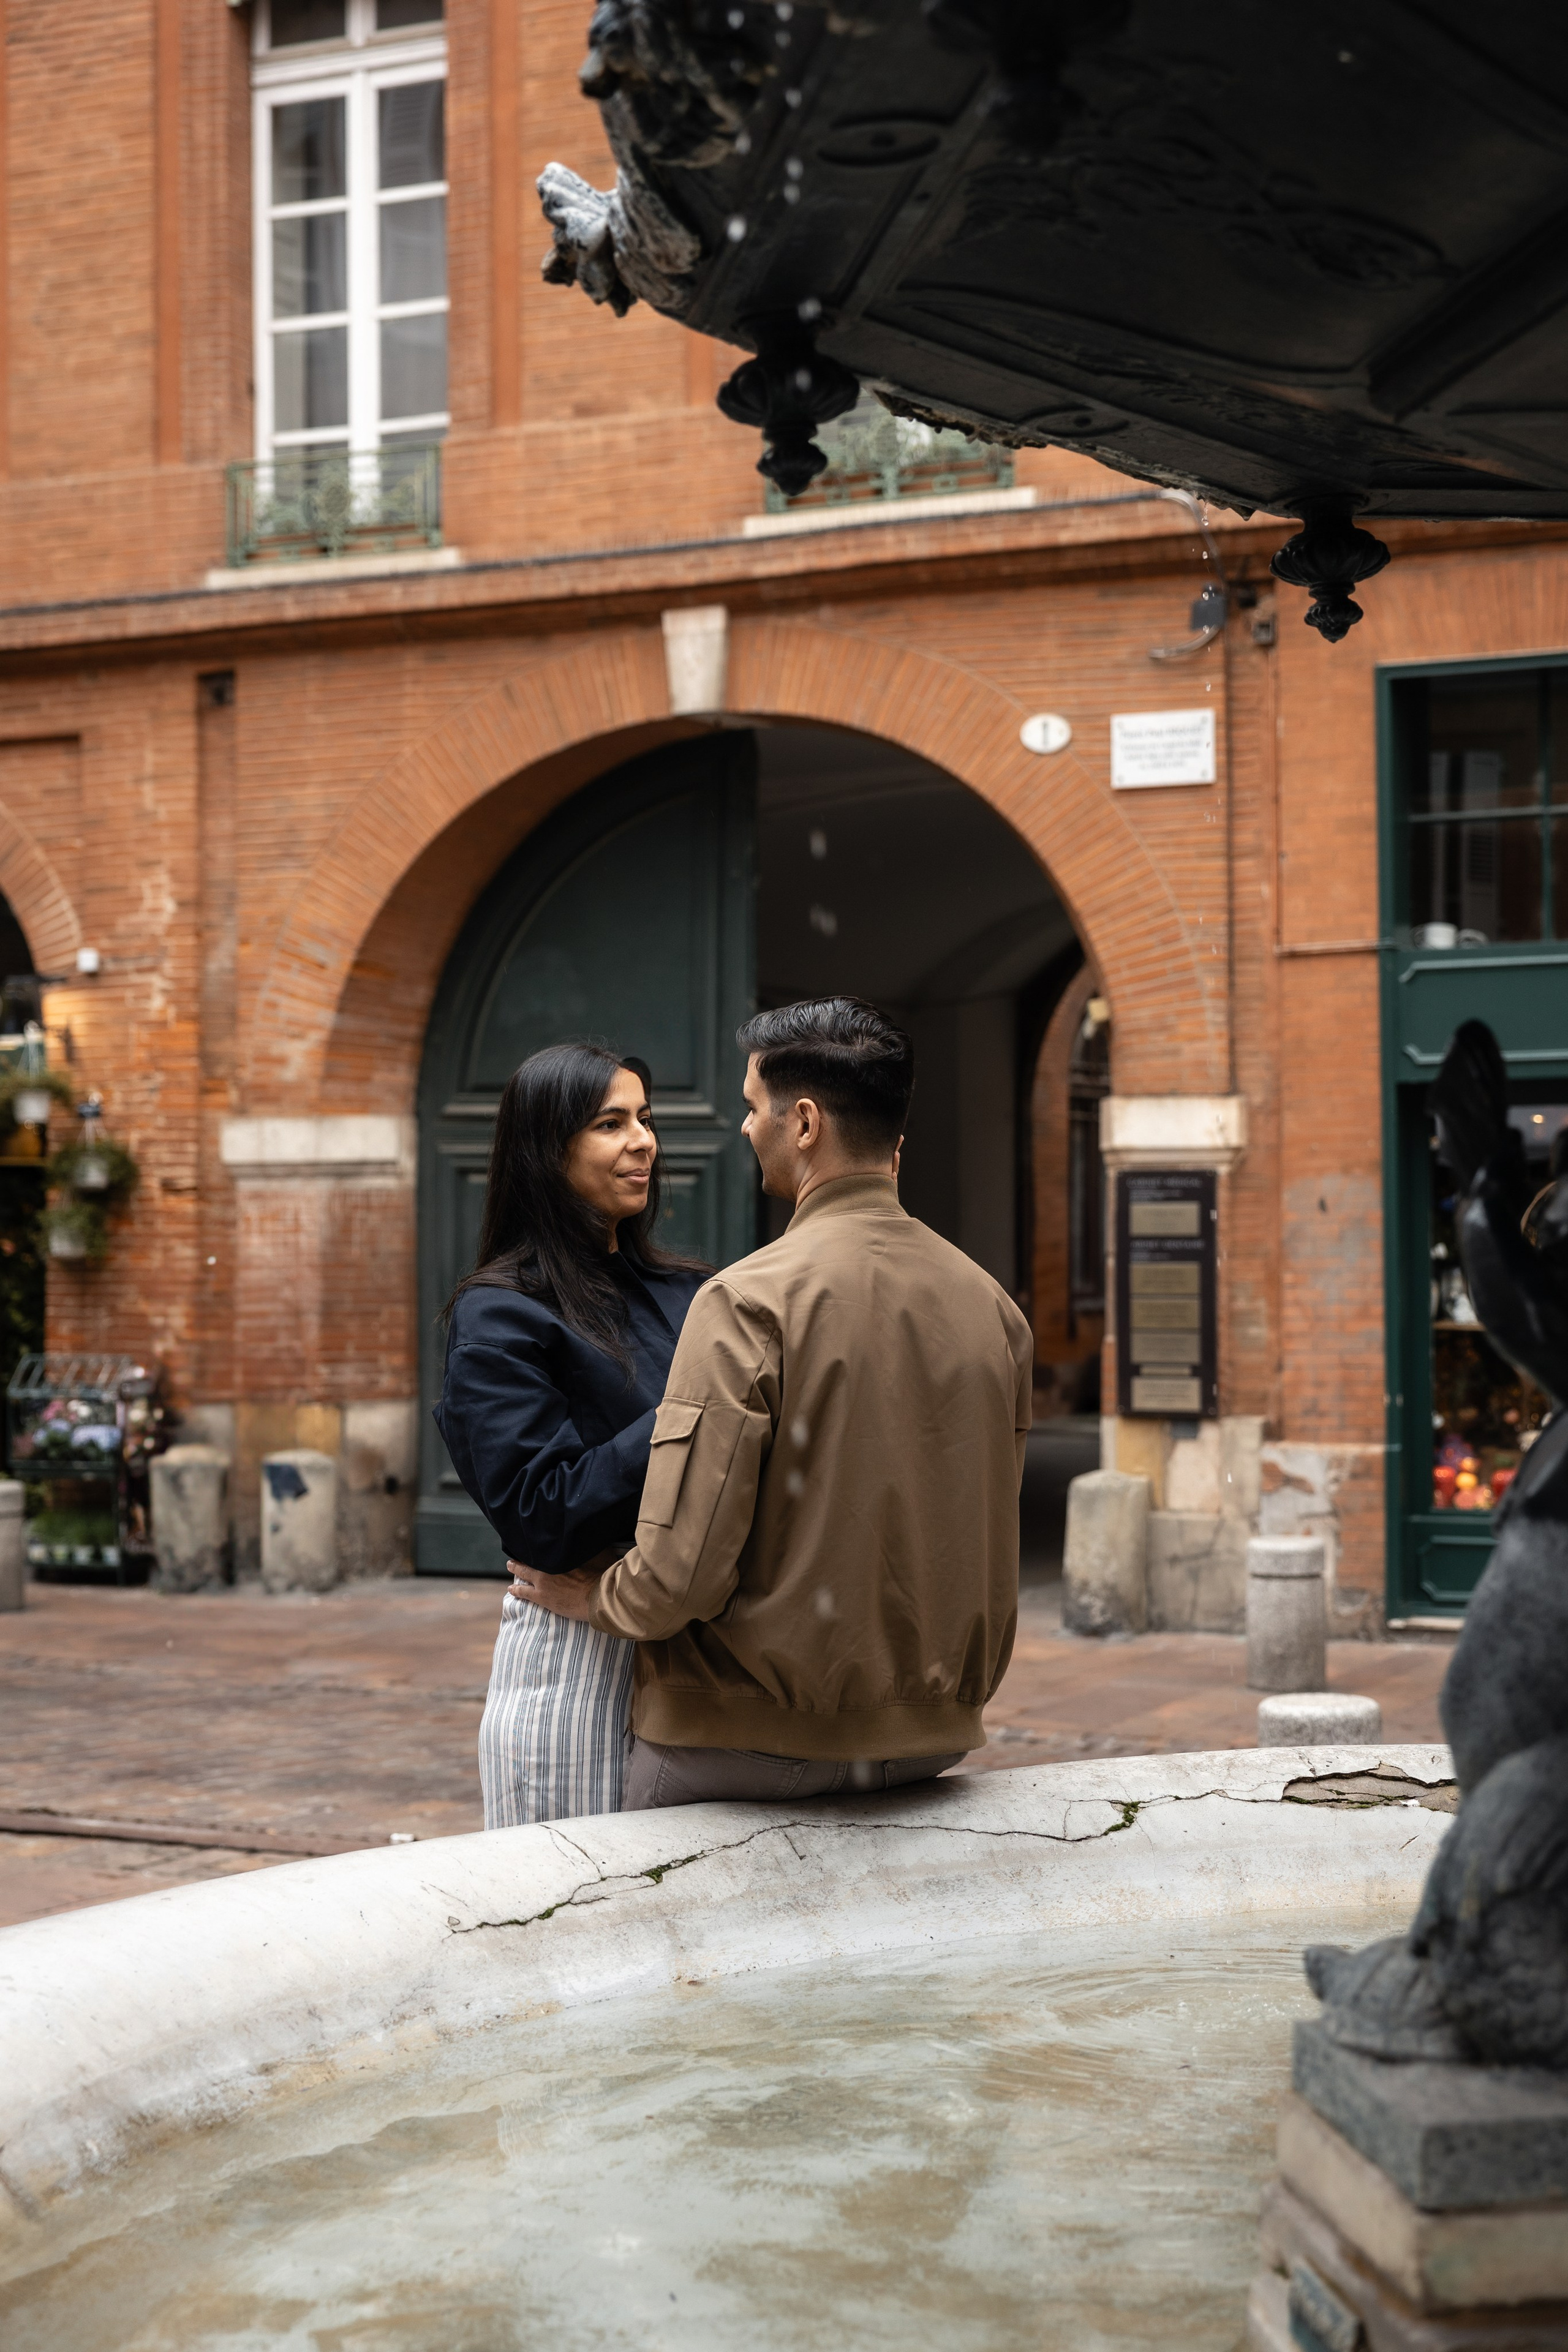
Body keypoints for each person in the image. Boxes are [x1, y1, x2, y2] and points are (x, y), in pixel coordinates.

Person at [510, 996, 1034, 1808]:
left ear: (805, 1122)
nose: (746, 1129)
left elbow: (680, 1577)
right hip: (930, 1746)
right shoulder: (991, 1306)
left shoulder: (749, 1300)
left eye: (754, 1108)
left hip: (741, 1747)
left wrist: (594, 1595)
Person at [434, 1044, 708, 1825]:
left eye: (646, 1120)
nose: (643, 1141)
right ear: (546, 1150)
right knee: (572, 1920)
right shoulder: (502, 1313)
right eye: (610, 1123)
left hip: (693, 1647)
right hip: (575, 1653)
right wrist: (691, 1418)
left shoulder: (689, 1292)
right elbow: (539, 1517)